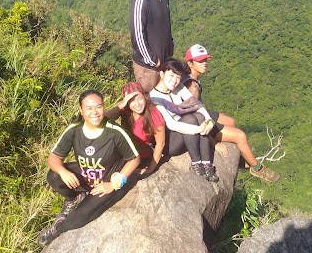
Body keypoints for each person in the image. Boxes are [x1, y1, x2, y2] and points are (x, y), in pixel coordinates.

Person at [38, 90, 140, 248]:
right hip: (86, 176)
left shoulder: (114, 132)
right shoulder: (75, 129)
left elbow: (134, 158)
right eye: (89, 108)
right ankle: (73, 198)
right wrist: (63, 172)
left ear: (103, 108)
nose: (95, 112)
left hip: (105, 183)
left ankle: (57, 229)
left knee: (79, 217)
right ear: (81, 110)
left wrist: (114, 184)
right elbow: (53, 158)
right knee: (54, 176)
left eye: (99, 107)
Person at [183, 44, 281, 183]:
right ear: (190, 63)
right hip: (197, 120)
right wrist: (213, 143)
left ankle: (241, 160)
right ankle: (257, 169)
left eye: (205, 59)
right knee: (240, 136)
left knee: (231, 122)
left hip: (202, 112)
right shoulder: (192, 87)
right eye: (200, 61)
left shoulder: (191, 77)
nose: (205, 63)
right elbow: (196, 120)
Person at [149, 58, 219, 182]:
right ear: (161, 73)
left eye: (178, 77)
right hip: (170, 142)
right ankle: (196, 163)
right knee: (191, 118)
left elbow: (196, 104)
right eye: (171, 75)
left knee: (200, 116)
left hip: (186, 134)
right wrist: (198, 129)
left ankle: (207, 164)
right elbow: (171, 125)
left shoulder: (179, 87)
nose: (174, 80)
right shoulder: (154, 98)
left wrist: (209, 122)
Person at [130, 0, 174, 92]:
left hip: (164, 65)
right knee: (146, 108)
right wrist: (153, 60)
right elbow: (137, 34)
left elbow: (165, 26)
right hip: (148, 69)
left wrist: (170, 49)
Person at [105, 81, 166, 176]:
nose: (137, 103)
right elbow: (102, 120)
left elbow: (160, 143)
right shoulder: (125, 109)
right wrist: (122, 103)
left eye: (139, 98)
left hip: (140, 156)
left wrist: (150, 169)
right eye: (132, 100)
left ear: (145, 98)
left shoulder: (153, 113)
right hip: (123, 152)